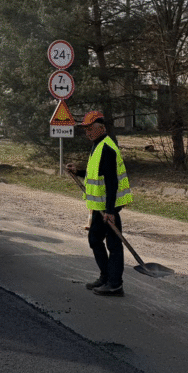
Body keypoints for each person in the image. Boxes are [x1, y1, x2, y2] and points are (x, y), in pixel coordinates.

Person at [66, 111, 133, 296]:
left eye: (90, 129)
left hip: (108, 207)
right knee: (95, 239)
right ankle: (106, 277)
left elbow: (112, 182)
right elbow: (97, 173)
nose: (87, 132)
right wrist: (78, 171)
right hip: (100, 206)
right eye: (86, 129)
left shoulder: (107, 148)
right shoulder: (97, 145)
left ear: (101, 128)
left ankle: (115, 284)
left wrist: (110, 211)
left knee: (114, 245)